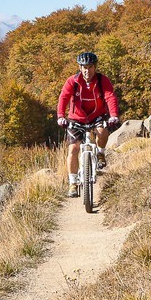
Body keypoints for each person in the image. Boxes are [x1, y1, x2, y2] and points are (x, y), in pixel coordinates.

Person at [56, 51, 121, 198]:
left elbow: (110, 96)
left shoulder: (102, 80)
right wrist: (60, 116)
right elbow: (63, 98)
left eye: (90, 67)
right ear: (80, 67)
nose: (87, 70)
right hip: (76, 118)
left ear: (95, 67)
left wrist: (113, 115)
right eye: (84, 67)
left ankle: (100, 153)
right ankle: (73, 183)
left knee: (102, 132)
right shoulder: (72, 81)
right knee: (73, 149)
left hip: (97, 115)